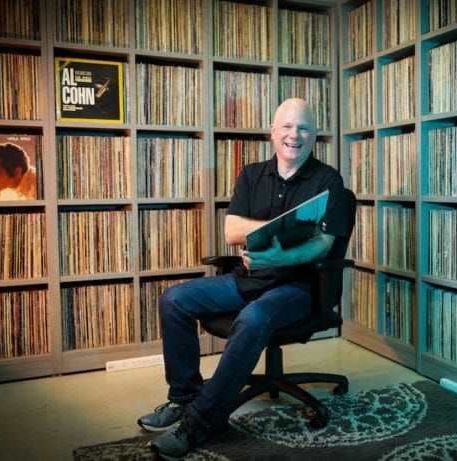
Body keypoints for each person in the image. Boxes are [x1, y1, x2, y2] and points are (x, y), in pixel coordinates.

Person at [140, 98, 351, 459]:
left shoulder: (328, 180)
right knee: (174, 299)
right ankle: (184, 397)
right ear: (272, 131)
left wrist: (280, 254)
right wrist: (274, 235)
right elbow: (231, 229)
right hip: (247, 279)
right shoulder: (252, 175)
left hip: (298, 287)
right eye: (286, 126)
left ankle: (204, 419)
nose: (294, 135)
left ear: (314, 135)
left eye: (303, 128)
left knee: (253, 316)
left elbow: (323, 243)